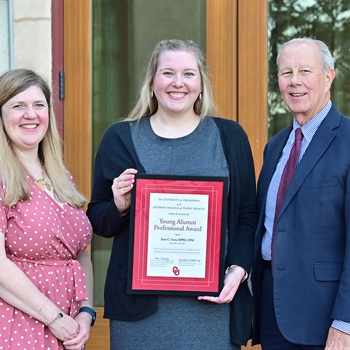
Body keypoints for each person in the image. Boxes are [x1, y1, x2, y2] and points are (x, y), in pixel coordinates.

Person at [87, 39, 257, 349]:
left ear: (201, 83)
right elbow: (98, 221)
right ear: (152, 82)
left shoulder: (230, 137)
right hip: (138, 315)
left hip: (213, 308)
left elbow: (248, 214)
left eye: (189, 74)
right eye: (168, 73)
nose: (178, 83)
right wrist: (119, 206)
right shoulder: (120, 138)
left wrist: (238, 270)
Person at [252, 38, 350, 349]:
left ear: (329, 77)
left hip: (325, 315)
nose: (295, 81)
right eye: (286, 72)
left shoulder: (348, 140)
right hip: (272, 308)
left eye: (305, 70)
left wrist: (345, 322)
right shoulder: (276, 146)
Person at [0, 68, 95, 350]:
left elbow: (81, 253)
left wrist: (86, 313)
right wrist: (53, 317)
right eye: (18, 105)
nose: (31, 114)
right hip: (18, 327)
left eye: (38, 105)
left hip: (68, 330)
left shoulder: (61, 175)